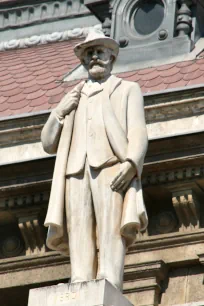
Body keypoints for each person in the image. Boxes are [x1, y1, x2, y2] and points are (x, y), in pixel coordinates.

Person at [41, 29, 148, 291]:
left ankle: (109, 280)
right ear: (83, 61)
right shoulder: (73, 97)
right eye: (89, 53)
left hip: (112, 168)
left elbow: (138, 132)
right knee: (79, 227)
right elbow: (47, 142)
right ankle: (80, 279)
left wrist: (132, 164)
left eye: (100, 52)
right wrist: (60, 111)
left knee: (111, 228)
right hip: (75, 171)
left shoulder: (127, 89)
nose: (94, 57)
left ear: (111, 56)